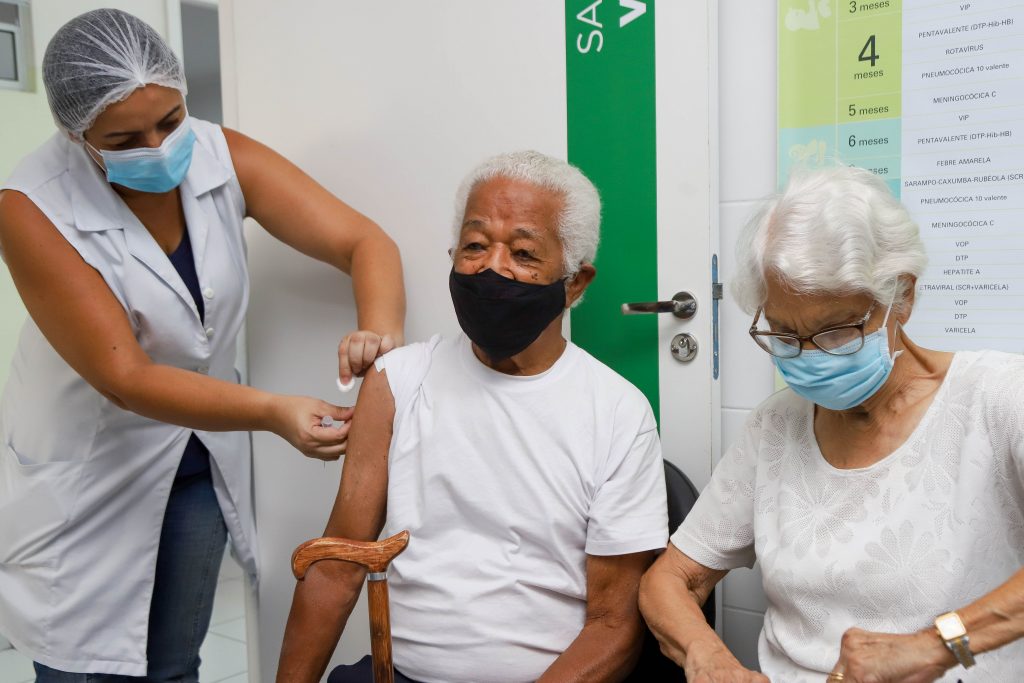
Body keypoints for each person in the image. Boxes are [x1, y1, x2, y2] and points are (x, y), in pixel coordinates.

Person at [0, 9, 404, 681]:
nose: (159, 148)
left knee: (175, 666)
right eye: (125, 138)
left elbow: (364, 242)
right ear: (76, 134)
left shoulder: (219, 152)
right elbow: (127, 377)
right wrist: (274, 411)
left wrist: (378, 332)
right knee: (82, 672)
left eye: (171, 120)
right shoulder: (30, 205)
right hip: (89, 475)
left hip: (196, 467)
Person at [275, 151, 668, 683]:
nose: (492, 267)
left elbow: (613, 624)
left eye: (523, 253)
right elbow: (337, 566)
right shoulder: (398, 381)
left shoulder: (617, 412)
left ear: (575, 283)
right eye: (475, 245)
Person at [638, 166, 1024, 682]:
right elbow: (669, 579)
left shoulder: (999, 398)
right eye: (784, 334)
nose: (809, 355)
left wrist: (936, 646)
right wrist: (705, 656)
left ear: (901, 297)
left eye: (836, 331)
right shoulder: (776, 426)